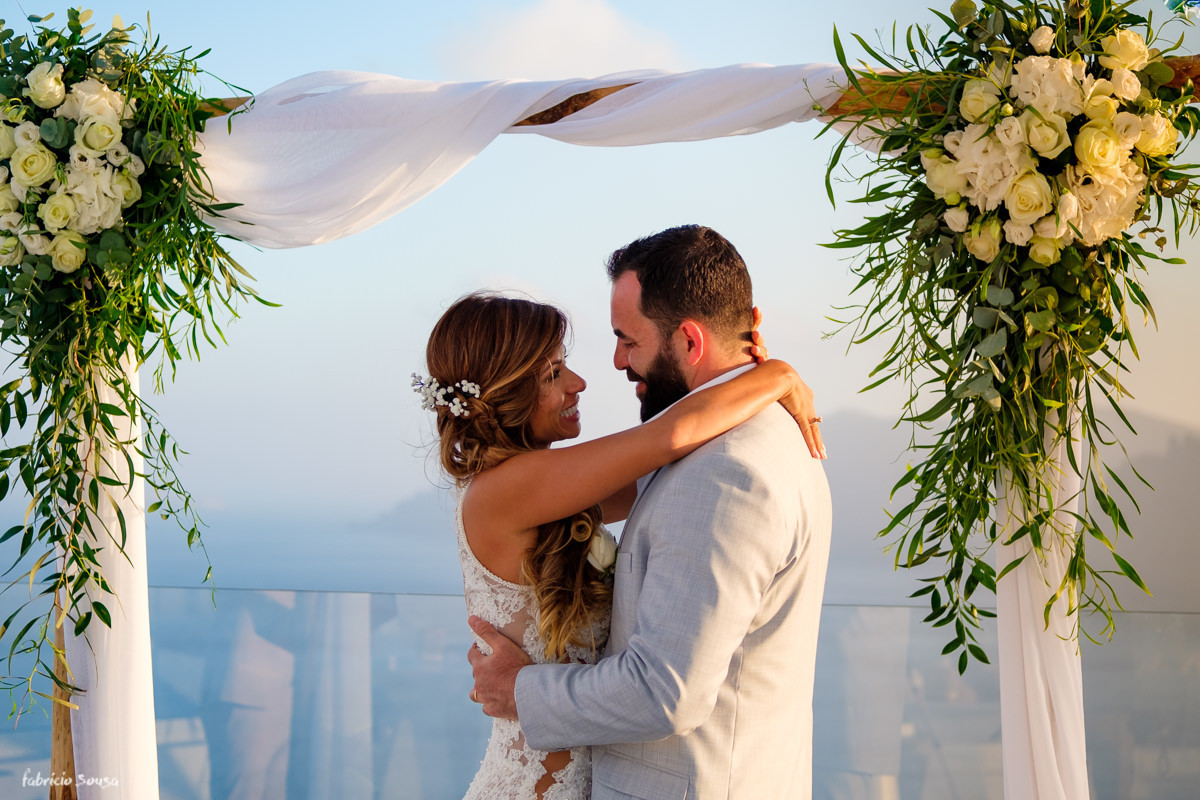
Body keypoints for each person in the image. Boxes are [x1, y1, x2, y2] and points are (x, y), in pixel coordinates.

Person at [467, 225, 834, 799]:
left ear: (688, 341)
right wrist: (773, 373)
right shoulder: (743, 442)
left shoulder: (724, 468)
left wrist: (524, 691)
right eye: (555, 372)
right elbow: (669, 437)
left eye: (628, 340)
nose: (608, 366)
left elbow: (667, 690)